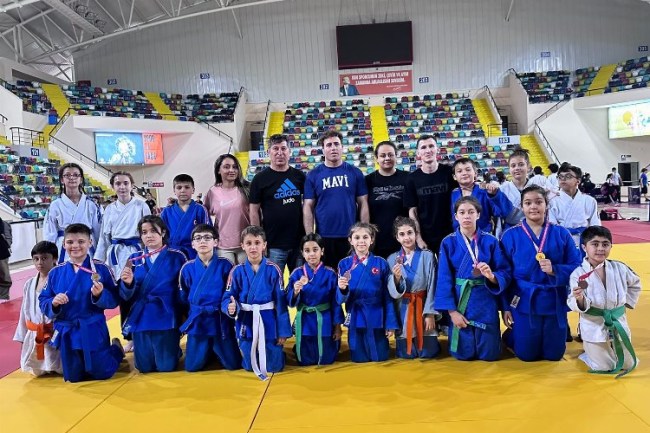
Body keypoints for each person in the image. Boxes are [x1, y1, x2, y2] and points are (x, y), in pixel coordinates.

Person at [500, 186, 582, 362]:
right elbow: (504, 274)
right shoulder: (510, 235)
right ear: (522, 207)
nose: (533, 207)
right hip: (523, 299)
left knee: (554, 355)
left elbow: (577, 267)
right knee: (526, 355)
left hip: (554, 299)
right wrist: (505, 306)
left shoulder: (561, 233)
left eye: (538, 202)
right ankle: (512, 335)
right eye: (528, 203)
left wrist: (555, 270)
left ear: (546, 205)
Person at [38, 223, 125, 383]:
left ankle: (116, 349)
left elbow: (115, 299)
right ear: (63, 244)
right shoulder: (55, 272)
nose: (75, 246)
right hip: (68, 331)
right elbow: (43, 300)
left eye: (81, 241)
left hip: (93, 328)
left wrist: (100, 295)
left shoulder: (101, 269)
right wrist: (53, 303)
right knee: (73, 378)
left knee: (103, 373)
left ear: (90, 242)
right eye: (70, 242)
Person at [435, 197, 510, 361]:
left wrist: (492, 276)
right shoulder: (448, 242)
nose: (466, 216)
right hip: (460, 301)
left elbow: (504, 272)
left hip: (485, 301)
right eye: (462, 212)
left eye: (471, 212)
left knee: (490, 355)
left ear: (478, 215)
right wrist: (452, 312)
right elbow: (443, 279)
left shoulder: (491, 241)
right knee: (463, 355)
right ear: (456, 216)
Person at [568, 226, 642, 377]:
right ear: (584, 247)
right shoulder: (578, 274)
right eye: (595, 244)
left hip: (617, 320)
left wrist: (625, 303)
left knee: (628, 364)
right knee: (604, 366)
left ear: (611, 246)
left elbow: (635, 283)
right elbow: (572, 300)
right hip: (593, 323)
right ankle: (588, 352)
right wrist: (580, 299)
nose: (600, 248)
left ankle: (605, 349)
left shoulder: (620, 268)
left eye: (605, 244)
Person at [222, 226, 291, 380]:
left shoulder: (274, 269)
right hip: (246, 319)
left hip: (269, 320)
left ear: (264, 245)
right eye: (249, 243)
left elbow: (280, 302)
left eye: (257, 243)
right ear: (242, 246)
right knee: (249, 365)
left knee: (275, 366)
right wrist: (230, 306)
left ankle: (279, 355)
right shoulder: (236, 271)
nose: (253, 247)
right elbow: (228, 296)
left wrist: (283, 331)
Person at [119, 215, 187, 373]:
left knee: (166, 367)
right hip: (141, 315)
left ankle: (173, 349)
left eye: (153, 231)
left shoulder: (177, 256)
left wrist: (183, 316)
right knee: (143, 368)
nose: (148, 235)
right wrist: (127, 283)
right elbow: (125, 295)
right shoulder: (134, 259)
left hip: (166, 314)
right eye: (144, 232)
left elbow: (184, 289)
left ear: (163, 232)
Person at [94, 171, 151, 352]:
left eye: (125, 183)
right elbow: (104, 238)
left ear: (132, 185)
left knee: (139, 293)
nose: (122, 186)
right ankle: (128, 335)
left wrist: (149, 255)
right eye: (118, 183)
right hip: (116, 255)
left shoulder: (141, 205)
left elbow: (150, 231)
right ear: (113, 187)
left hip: (137, 253)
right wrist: (98, 261)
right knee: (123, 295)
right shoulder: (109, 209)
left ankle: (143, 333)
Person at [179, 224, 241, 372]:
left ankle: (214, 351)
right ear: (192, 244)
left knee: (233, 365)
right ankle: (208, 352)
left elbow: (231, 292)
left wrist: (231, 307)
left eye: (207, 237)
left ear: (216, 242)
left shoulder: (226, 265)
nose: (202, 241)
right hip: (199, 321)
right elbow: (183, 297)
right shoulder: (187, 268)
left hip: (220, 320)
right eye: (198, 238)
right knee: (192, 367)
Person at [304, 130, 369, 268]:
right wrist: (310, 236)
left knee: (351, 276)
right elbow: (308, 206)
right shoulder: (313, 175)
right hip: (324, 237)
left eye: (336, 144)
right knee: (328, 276)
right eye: (329, 145)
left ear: (342, 147)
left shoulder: (355, 172)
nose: (333, 148)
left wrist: (364, 232)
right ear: (323, 150)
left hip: (351, 237)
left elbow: (363, 203)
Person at [336, 223, 398, 363]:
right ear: (350, 240)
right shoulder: (344, 264)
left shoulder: (381, 263)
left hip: (377, 314)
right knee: (359, 358)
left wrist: (390, 323)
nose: (361, 241)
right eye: (357, 237)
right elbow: (339, 299)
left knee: (381, 357)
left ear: (372, 239)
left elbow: (387, 296)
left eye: (365, 237)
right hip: (356, 313)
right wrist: (342, 288)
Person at [250, 134, 306, 273]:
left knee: (300, 282)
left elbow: (308, 206)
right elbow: (254, 210)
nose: (280, 152)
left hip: (298, 242)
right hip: (273, 244)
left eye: (283, 148)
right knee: (272, 282)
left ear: (289, 152)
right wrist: (258, 240)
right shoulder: (259, 179)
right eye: (275, 148)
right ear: (268, 152)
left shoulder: (299, 176)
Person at [386, 217, 440, 359]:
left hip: (423, 306)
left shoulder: (428, 256)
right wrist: (396, 278)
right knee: (406, 354)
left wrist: (430, 314)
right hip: (403, 308)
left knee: (428, 353)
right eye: (402, 234)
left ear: (416, 234)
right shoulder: (391, 259)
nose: (407, 238)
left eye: (410, 233)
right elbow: (391, 293)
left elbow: (433, 286)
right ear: (397, 237)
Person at [287, 233, 343, 365]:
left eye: (315, 250)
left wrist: (337, 327)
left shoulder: (330, 274)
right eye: (307, 251)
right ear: (302, 253)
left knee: (327, 359)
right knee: (305, 360)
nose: (311, 254)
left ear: (322, 251)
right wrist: (295, 292)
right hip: (305, 319)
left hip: (325, 318)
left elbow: (336, 302)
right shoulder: (297, 274)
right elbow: (289, 301)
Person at [13, 241, 63, 376]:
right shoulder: (29, 284)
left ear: (54, 258)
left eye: (44, 258)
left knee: (62, 369)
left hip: (54, 334)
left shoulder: (62, 281)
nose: (40, 262)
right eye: (36, 259)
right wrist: (22, 336)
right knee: (37, 370)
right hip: (35, 333)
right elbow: (24, 312)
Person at [403, 135, 456, 252]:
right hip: (426, 237)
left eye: (431, 146)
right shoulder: (411, 179)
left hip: (452, 233)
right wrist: (418, 238)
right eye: (423, 147)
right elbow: (412, 212)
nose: (428, 150)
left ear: (437, 149)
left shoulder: (449, 173)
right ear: (418, 153)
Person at [43, 163, 102, 264]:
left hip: (86, 247)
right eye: (67, 175)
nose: (72, 178)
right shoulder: (55, 205)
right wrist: (50, 256)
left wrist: (99, 255)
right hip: (64, 248)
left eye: (76, 175)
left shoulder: (92, 204)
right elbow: (49, 234)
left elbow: (99, 233)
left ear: (81, 179)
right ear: (62, 179)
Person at [365, 141, 409, 259]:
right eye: (383, 155)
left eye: (390, 155)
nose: (387, 158)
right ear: (376, 158)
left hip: (404, 240)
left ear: (396, 156)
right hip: (378, 241)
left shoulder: (407, 178)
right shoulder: (368, 181)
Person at [204, 154, 250, 264]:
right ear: (218, 170)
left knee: (245, 274)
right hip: (223, 246)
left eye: (235, 167)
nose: (231, 170)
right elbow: (204, 214)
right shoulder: (212, 192)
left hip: (246, 244)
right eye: (226, 167)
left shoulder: (247, 189)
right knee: (226, 274)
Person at [450, 158, 513, 233]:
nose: (464, 173)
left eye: (468, 170)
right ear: (454, 176)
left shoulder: (485, 191)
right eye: (459, 171)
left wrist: (495, 195)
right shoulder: (452, 194)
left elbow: (504, 211)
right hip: (459, 237)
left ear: (475, 173)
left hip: (483, 236)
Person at [548, 163, 600, 248]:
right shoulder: (552, 201)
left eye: (568, 176)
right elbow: (552, 226)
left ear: (578, 181)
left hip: (584, 241)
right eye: (560, 177)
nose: (563, 179)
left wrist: (594, 242)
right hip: (561, 240)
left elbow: (595, 225)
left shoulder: (589, 201)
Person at [160, 174, 210, 260]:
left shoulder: (200, 210)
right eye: (179, 188)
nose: (183, 190)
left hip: (194, 253)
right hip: (171, 253)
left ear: (193, 190)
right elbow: (161, 234)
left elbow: (208, 233)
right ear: (174, 190)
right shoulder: (166, 211)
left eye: (187, 187)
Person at [499, 149, 533, 231]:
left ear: (528, 167)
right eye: (513, 166)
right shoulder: (502, 189)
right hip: (509, 230)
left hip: (532, 228)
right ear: (509, 169)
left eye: (521, 165)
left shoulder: (536, 188)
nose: (517, 168)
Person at [0, 216, 11, 303]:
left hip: (1, 252)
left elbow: (8, 237)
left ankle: (3, 296)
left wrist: (7, 245)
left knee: (4, 275)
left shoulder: (3, 223)